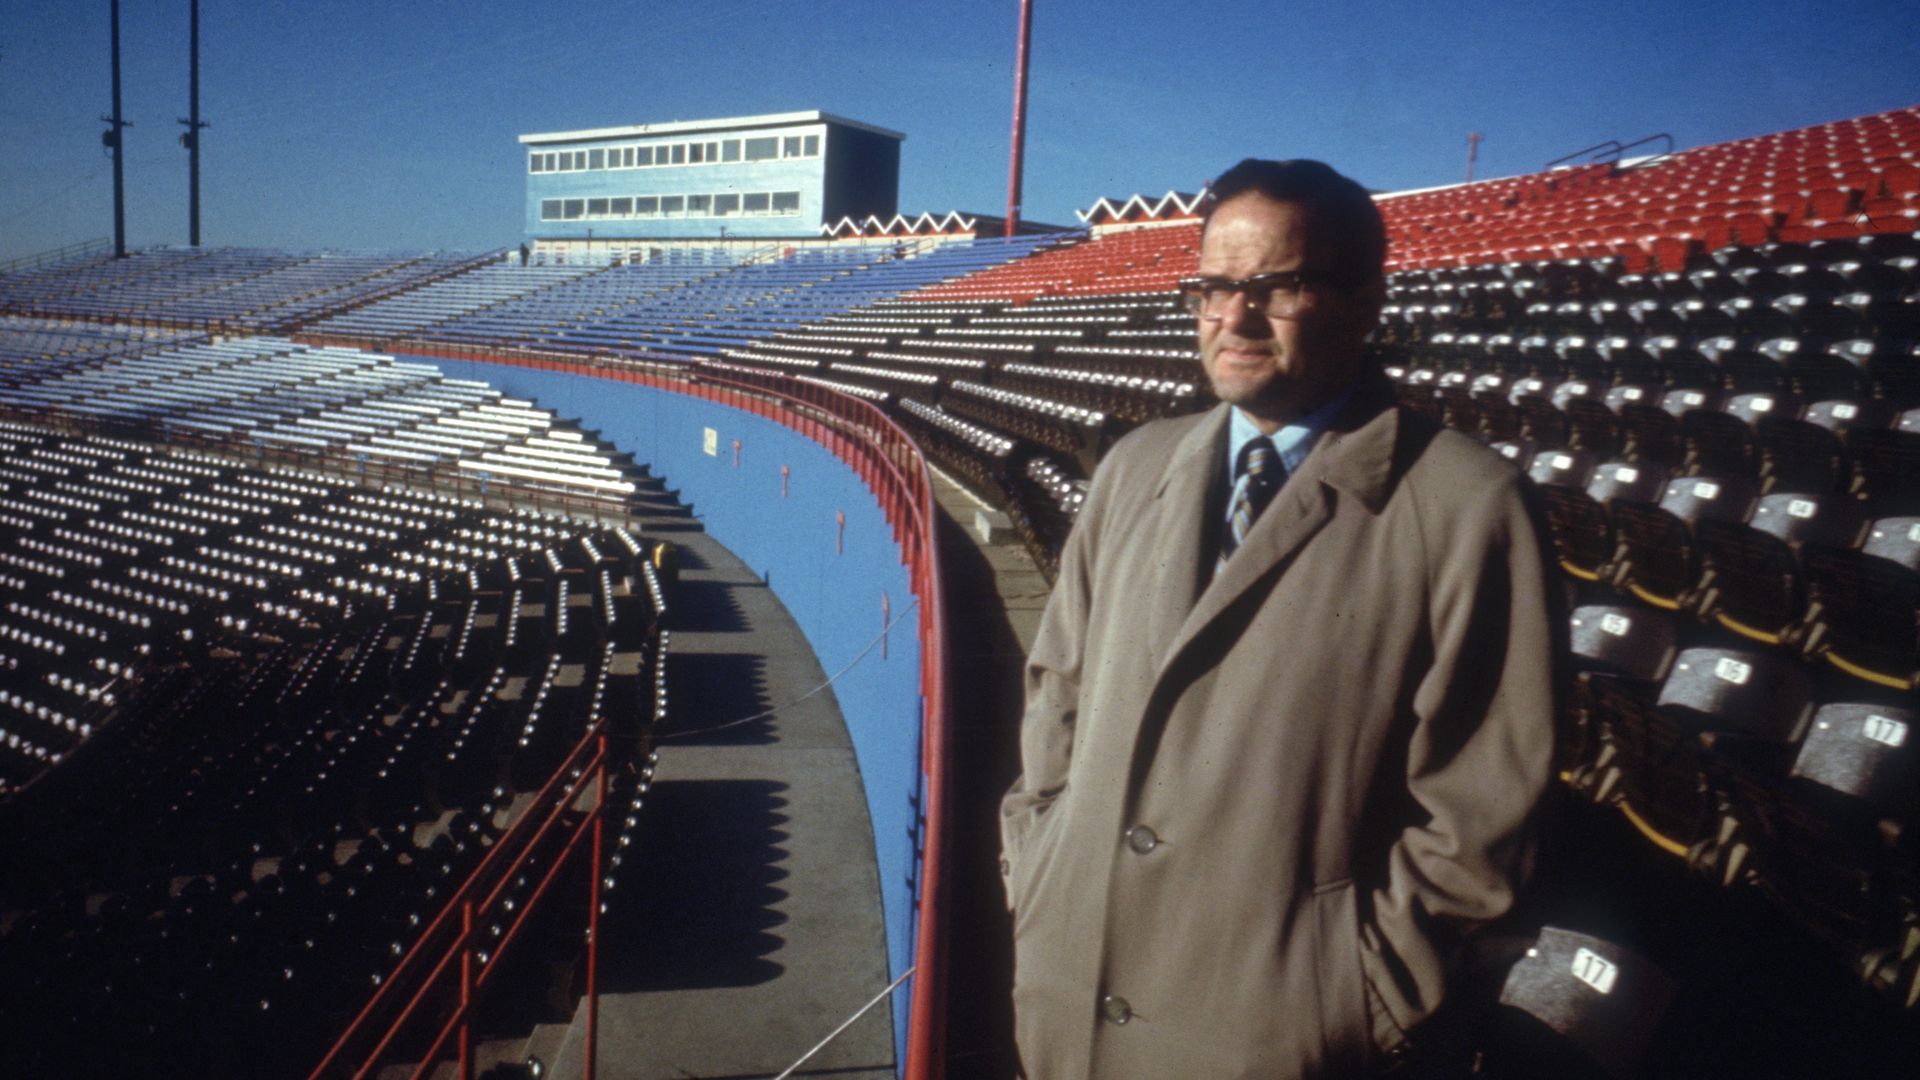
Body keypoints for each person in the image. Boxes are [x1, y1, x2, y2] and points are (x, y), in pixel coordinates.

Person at [998, 159, 1561, 1079]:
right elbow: (1057, 690)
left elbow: (1482, 819)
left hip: (1276, 1037)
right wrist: (1040, 862)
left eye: (1277, 287)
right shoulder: (1136, 466)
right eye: (1214, 286)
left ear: (1365, 300)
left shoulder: (1470, 505)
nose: (1233, 317)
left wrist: (1354, 997)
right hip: (1072, 997)